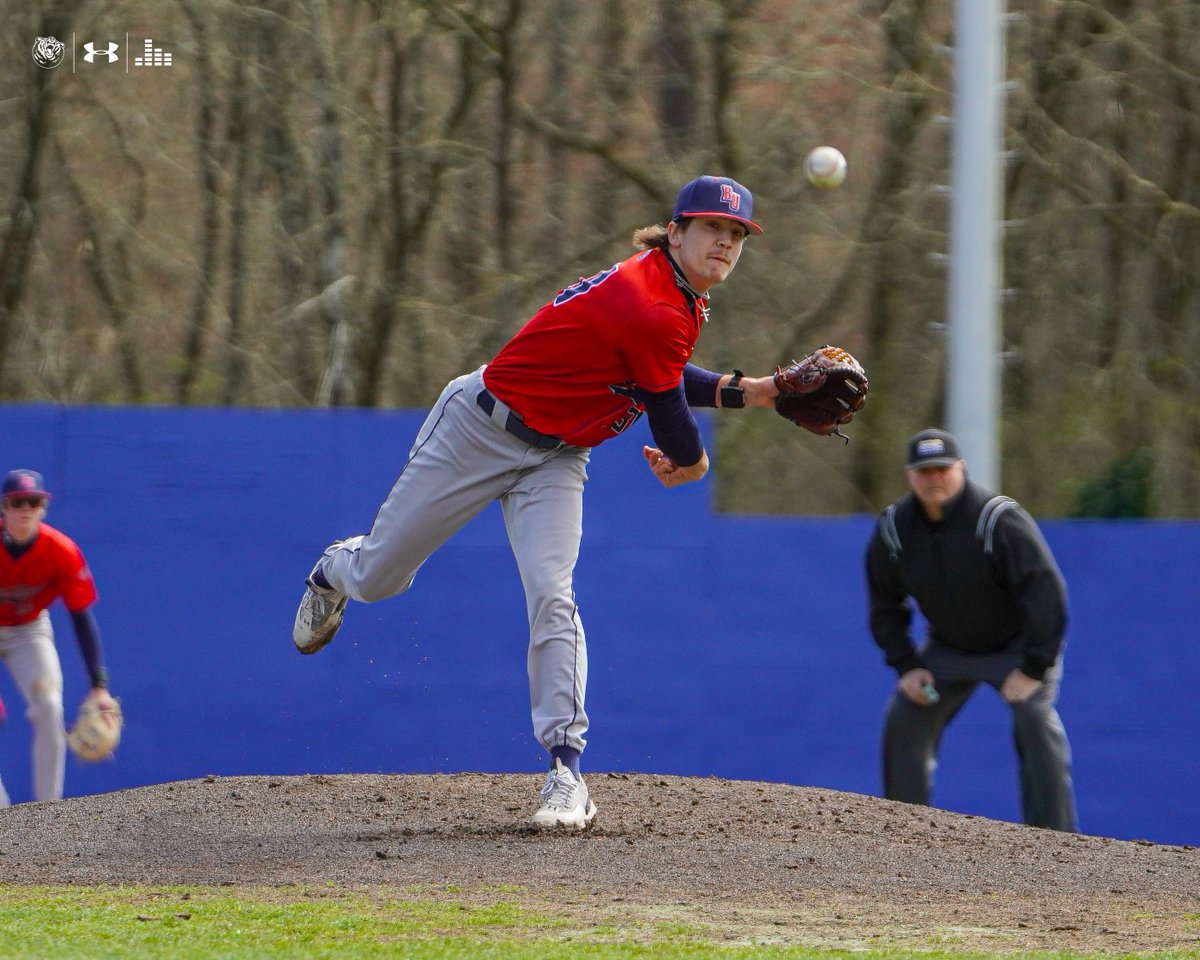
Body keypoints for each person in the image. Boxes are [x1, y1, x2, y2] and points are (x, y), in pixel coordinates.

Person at [294, 176, 785, 827]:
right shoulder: (654, 303)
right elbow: (671, 418)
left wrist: (751, 391)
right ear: (675, 232)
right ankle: (334, 570)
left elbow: (658, 374)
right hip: (478, 429)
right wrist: (693, 464)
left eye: (736, 234)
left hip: (557, 457)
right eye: (710, 228)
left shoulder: (673, 295)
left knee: (553, 593)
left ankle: (565, 771)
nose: (724, 242)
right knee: (379, 579)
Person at [864, 429, 1078, 832]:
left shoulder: (996, 518)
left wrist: (1034, 667)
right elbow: (884, 605)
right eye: (924, 471)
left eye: (942, 469)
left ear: (960, 469)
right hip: (949, 651)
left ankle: (1057, 841)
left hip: (1019, 650)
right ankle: (901, 833)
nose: (934, 478)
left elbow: (1047, 593)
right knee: (906, 716)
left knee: (1035, 719)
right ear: (909, 476)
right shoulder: (895, 528)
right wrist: (907, 666)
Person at [0, 469, 118, 806]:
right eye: (17, 502)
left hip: (29, 628)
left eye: (33, 501)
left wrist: (99, 686)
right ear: (4, 508)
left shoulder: (61, 550)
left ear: (43, 508)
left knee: (50, 705)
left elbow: (81, 617)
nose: (26, 508)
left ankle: (47, 812)